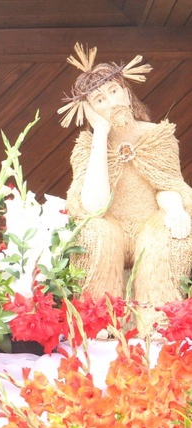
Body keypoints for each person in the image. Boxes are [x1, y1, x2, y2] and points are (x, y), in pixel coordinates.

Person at [59, 44, 192, 333]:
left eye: (114, 91)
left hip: (148, 226)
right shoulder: (86, 148)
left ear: (127, 91)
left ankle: (159, 325)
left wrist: (174, 209)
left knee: (170, 230)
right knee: (94, 229)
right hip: (112, 229)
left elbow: (168, 185)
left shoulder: (158, 136)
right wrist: (101, 136)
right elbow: (94, 206)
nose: (111, 102)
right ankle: (100, 324)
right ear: (90, 110)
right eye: (99, 99)